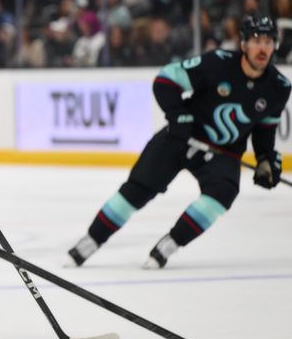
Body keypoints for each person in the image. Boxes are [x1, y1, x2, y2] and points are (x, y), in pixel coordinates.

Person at [67, 15, 290, 269]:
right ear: (243, 43)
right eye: (256, 40)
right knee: (137, 190)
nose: (263, 48)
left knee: (222, 194)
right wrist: (180, 117)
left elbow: (264, 129)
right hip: (180, 138)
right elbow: (165, 80)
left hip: (222, 153)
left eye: (269, 41)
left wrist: (265, 159)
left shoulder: (279, 87)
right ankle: (89, 242)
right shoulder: (216, 63)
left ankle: (168, 246)